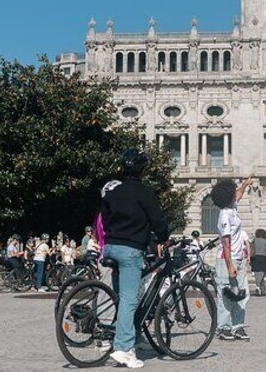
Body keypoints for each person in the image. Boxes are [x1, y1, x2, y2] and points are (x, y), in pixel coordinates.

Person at [101, 148, 170, 369]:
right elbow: (157, 219)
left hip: (110, 246)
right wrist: (163, 237)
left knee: (122, 297)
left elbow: (106, 217)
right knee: (130, 299)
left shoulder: (112, 190)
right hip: (130, 249)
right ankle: (123, 348)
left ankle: (126, 334)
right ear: (142, 169)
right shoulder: (144, 192)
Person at [213, 177, 253, 341]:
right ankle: (223, 328)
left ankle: (237, 327)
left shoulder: (232, 208)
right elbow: (226, 242)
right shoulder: (224, 215)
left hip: (239, 258)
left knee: (242, 293)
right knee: (226, 294)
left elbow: (239, 195)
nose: (235, 194)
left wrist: (245, 185)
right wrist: (230, 266)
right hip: (226, 260)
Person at [251, 229, 266, 296]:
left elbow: (251, 248)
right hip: (263, 257)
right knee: (262, 273)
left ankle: (259, 288)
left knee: (257, 273)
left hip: (255, 257)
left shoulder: (254, 240)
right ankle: (259, 287)